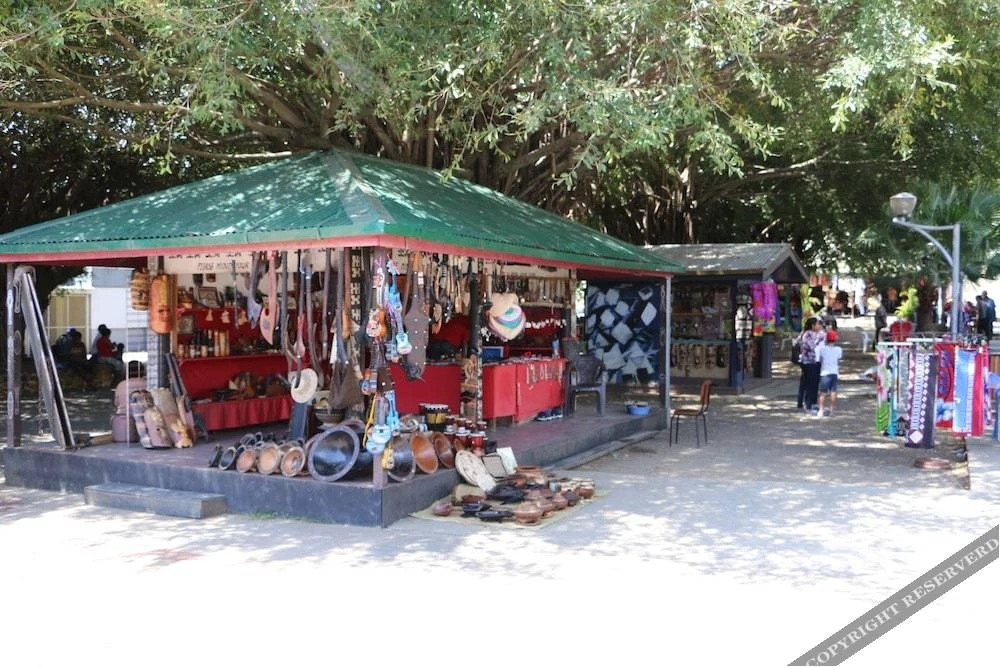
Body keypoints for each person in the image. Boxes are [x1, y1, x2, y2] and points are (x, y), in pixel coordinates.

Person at [795, 316, 825, 413]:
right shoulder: (807, 334)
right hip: (809, 361)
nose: (820, 326)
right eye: (818, 324)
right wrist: (820, 338)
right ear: (812, 325)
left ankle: (808, 402)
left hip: (814, 361)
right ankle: (809, 404)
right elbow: (812, 346)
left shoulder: (815, 333)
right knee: (811, 383)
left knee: (809, 382)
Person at [817, 329, 842, 417]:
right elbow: (839, 358)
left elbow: (820, 359)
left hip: (824, 373)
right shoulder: (838, 349)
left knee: (822, 392)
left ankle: (821, 409)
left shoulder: (823, 350)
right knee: (833, 392)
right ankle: (831, 410)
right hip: (834, 372)